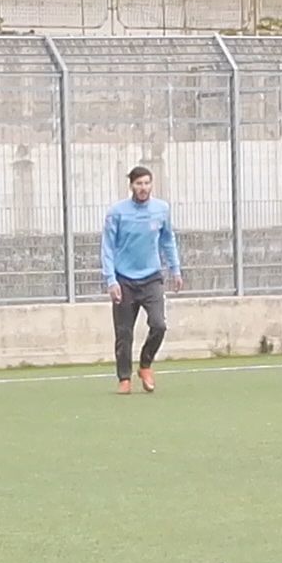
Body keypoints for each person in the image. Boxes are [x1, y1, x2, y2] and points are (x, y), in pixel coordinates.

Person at [101, 165, 182, 395]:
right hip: (124, 280)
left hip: (151, 278)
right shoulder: (117, 212)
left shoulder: (161, 209)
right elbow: (107, 247)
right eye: (139, 184)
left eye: (147, 183)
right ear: (131, 186)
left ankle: (145, 365)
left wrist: (175, 269)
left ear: (151, 184)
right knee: (124, 332)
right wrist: (111, 280)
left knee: (159, 325)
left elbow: (167, 240)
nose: (143, 188)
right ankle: (124, 378)